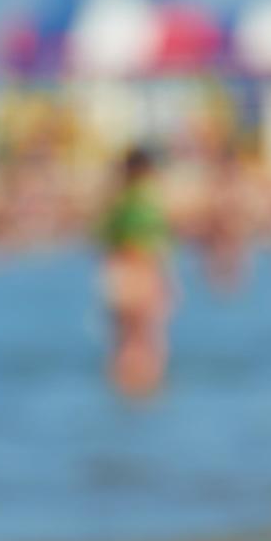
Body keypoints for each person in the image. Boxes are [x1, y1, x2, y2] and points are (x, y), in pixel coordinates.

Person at [98, 145, 172, 396]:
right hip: (139, 272)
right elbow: (149, 245)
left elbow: (104, 240)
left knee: (124, 338)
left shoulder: (117, 201)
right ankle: (142, 385)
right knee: (144, 338)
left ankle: (125, 384)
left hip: (120, 272)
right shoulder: (143, 202)